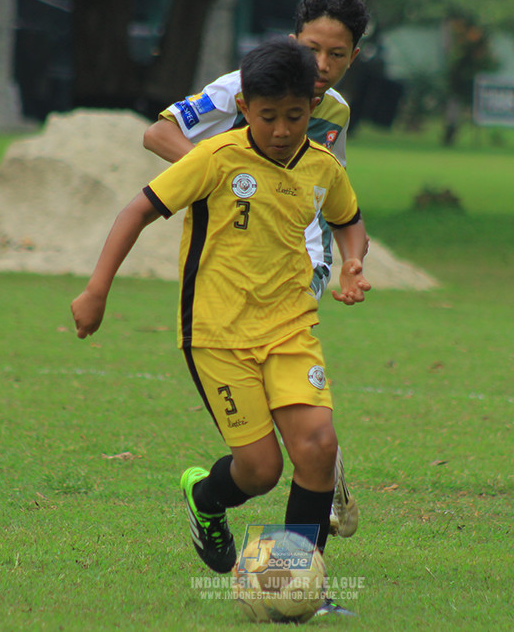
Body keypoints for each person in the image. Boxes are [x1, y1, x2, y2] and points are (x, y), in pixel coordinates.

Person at [71, 38, 369, 592]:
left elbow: (349, 219)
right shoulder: (215, 158)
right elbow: (137, 210)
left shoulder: (323, 166)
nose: (282, 130)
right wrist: (97, 290)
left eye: (296, 116)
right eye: (268, 117)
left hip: (290, 328)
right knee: (260, 471)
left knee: (318, 449)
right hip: (217, 334)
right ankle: (205, 499)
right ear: (245, 108)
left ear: (311, 107)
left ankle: (293, 583)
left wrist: (352, 263)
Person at [143, 0, 368, 540]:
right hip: (232, 261)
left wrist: (351, 259)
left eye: (336, 55)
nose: (322, 65)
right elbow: (159, 133)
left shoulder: (332, 109)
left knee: (303, 422)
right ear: (294, 40)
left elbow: (329, 191)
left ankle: (311, 487)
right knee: (266, 458)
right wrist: (227, 176)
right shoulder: (238, 86)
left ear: (353, 57)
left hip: (299, 261)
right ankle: (307, 463)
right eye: (313, 48)